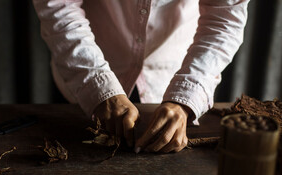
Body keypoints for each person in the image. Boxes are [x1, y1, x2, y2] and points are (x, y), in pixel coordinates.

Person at [32, 0, 250, 153]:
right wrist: (97, 86)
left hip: (173, 76)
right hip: (82, 74)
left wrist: (185, 96)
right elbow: (58, 6)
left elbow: (225, 18)